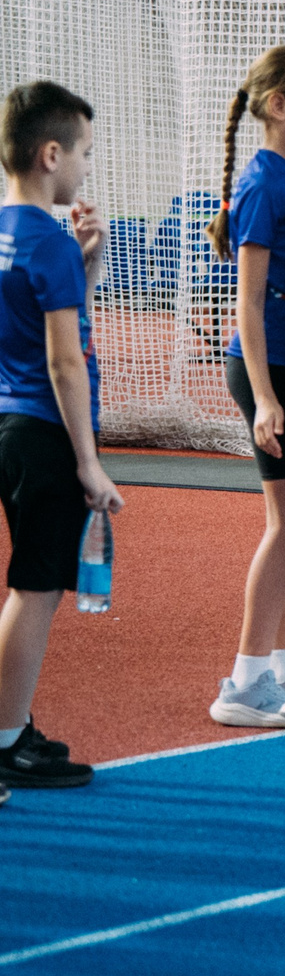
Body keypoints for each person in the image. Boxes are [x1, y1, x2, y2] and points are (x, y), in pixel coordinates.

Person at [207, 47, 285, 727]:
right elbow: (248, 304)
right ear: (279, 105)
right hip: (272, 370)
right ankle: (244, 679)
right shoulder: (264, 183)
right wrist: (264, 396)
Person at [0, 81, 118, 794]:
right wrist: (89, 463)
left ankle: (13, 724)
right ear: (50, 155)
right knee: (35, 587)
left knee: (30, 581)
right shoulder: (47, 241)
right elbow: (64, 361)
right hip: (43, 431)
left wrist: (86, 266)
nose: (85, 167)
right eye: (84, 153)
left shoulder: (14, 232)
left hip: (8, 423)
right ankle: (6, 737)